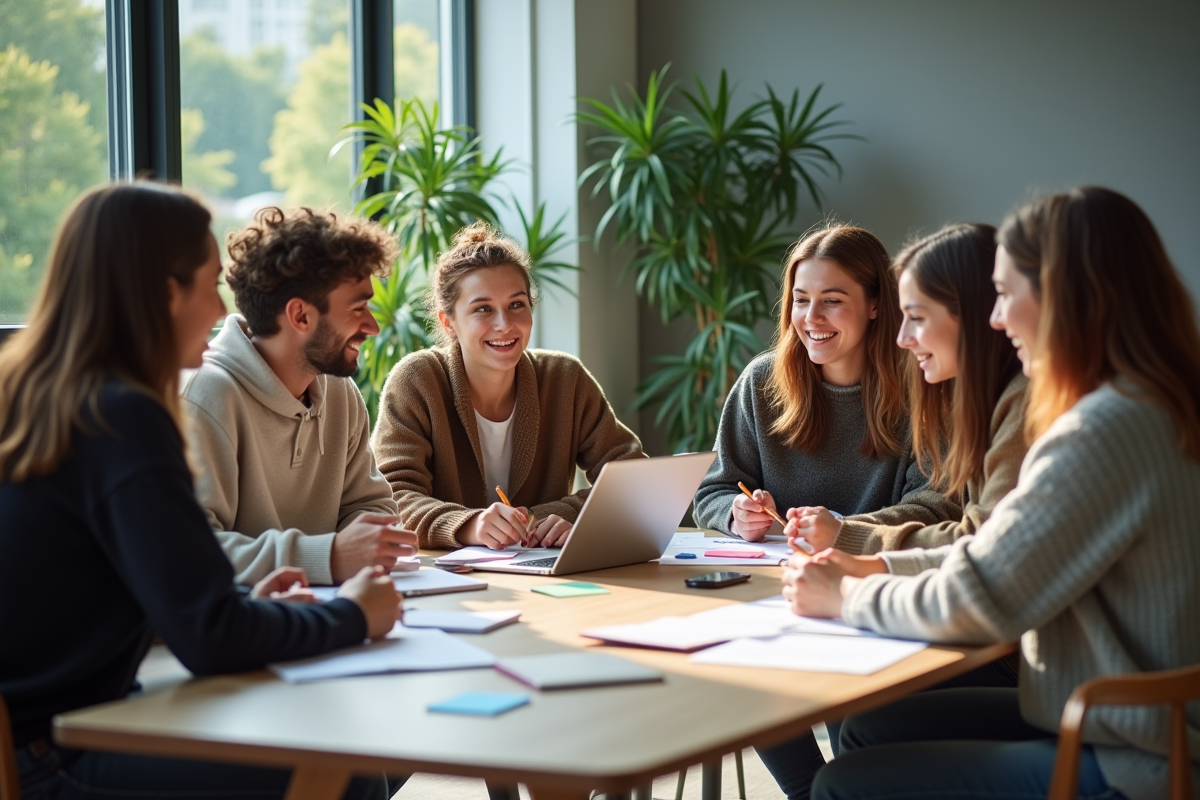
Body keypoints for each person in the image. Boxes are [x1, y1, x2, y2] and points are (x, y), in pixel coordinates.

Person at [784, 187, 1200, 800]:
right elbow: (995, 551)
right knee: (872, 729)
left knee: (846, 783)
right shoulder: (1153, 404)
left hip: (1134, 754)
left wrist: (848, 595)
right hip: (1124, 715)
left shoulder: (1101, 429)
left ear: (1068, 295)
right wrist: (876, 563)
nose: (996, 320)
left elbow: (985, 597)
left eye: (1004, 295)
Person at [0, 182, 402, 800]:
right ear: (165, 294)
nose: (223, 313)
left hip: (63, 721)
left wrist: (249, 609)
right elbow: (209, 637)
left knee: (359, 748)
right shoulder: (124, 417)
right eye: (210, 286)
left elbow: (156, 600)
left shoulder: (49, 396)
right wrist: (352, 615)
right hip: (51, 752)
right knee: (348, 772)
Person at [692, 224, 959, 800]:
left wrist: (847, 531)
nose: (811, 317)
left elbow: (939, 501)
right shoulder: (762, 383)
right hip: (781, 586)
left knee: (849, 706)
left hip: (874, 589)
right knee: (736, 672)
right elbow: (711, 492)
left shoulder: (924, 383)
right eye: (800, 300)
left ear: (873, 307)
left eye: (832, 301)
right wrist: (739, 514)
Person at [371, 222, 645, 551]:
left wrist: (566, 515)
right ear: (449, 322)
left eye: (517, 304)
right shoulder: (417, 380)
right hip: (450, 579)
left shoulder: (565, 378)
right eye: (482, 309)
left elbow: (634, 480)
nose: (504, 324)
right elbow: (392, 498)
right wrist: (469, 525)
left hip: (545, 573)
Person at [182, 206, 417, 585]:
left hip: (328, 610)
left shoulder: (340, 392)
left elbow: (370, 505)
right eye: (358, 308)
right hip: (249, 631)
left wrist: (367, 542)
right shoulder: (206, 397)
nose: (372, 326)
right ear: (300, 316)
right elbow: (190, 551)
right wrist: (327, 556)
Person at [786, 223, 1027, 566]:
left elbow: (981, 545)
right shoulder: (977, 399)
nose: (903, 338)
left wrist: (851, 543)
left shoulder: (1019, 403)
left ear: (971, 315)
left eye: (916, 317)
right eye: (801, 300)